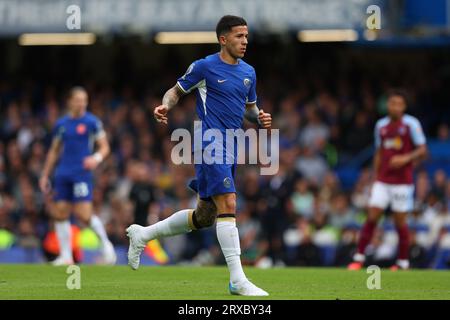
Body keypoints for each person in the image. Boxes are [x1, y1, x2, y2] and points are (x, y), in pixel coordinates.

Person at [126, 15, 272, 296]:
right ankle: (238, 280)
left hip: (232, 145)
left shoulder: (248, 72)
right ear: (223, 39)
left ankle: (143, 234)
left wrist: (259, 117)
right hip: (209, 142)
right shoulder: (204, 67)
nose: (245, 41)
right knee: (229, 202)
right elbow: (175, 91)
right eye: (239, 36)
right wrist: (164, 106)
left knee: (206, 215)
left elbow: (249, 109)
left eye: (246, 36)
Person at [348, 89, 427, 271]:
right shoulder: (380, 125)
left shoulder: (411, 124)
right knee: (372, 216)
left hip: (402, 183)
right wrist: (375, 177)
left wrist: (405, 158)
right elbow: (379, 152)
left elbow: (422, 149)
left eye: (399, 104)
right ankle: (359, 258)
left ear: (404, 106)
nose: (395, 107)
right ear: (387, 105)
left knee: (400, 222)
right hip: (383, 180)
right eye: (392, 103)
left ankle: (402, 262)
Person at [39, 87, 116, 266]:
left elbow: (105, 147)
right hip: (63, 173)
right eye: (79, 99)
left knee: (84, 214)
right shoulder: (61, 124)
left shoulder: (91, 122)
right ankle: (66, 257)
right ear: (70, 101)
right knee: (60, 213)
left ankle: (107, 246)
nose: (82, 103)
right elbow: (54, 150)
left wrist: (96, 158)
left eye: (85, 100)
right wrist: (45, 174)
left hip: (81, 174)